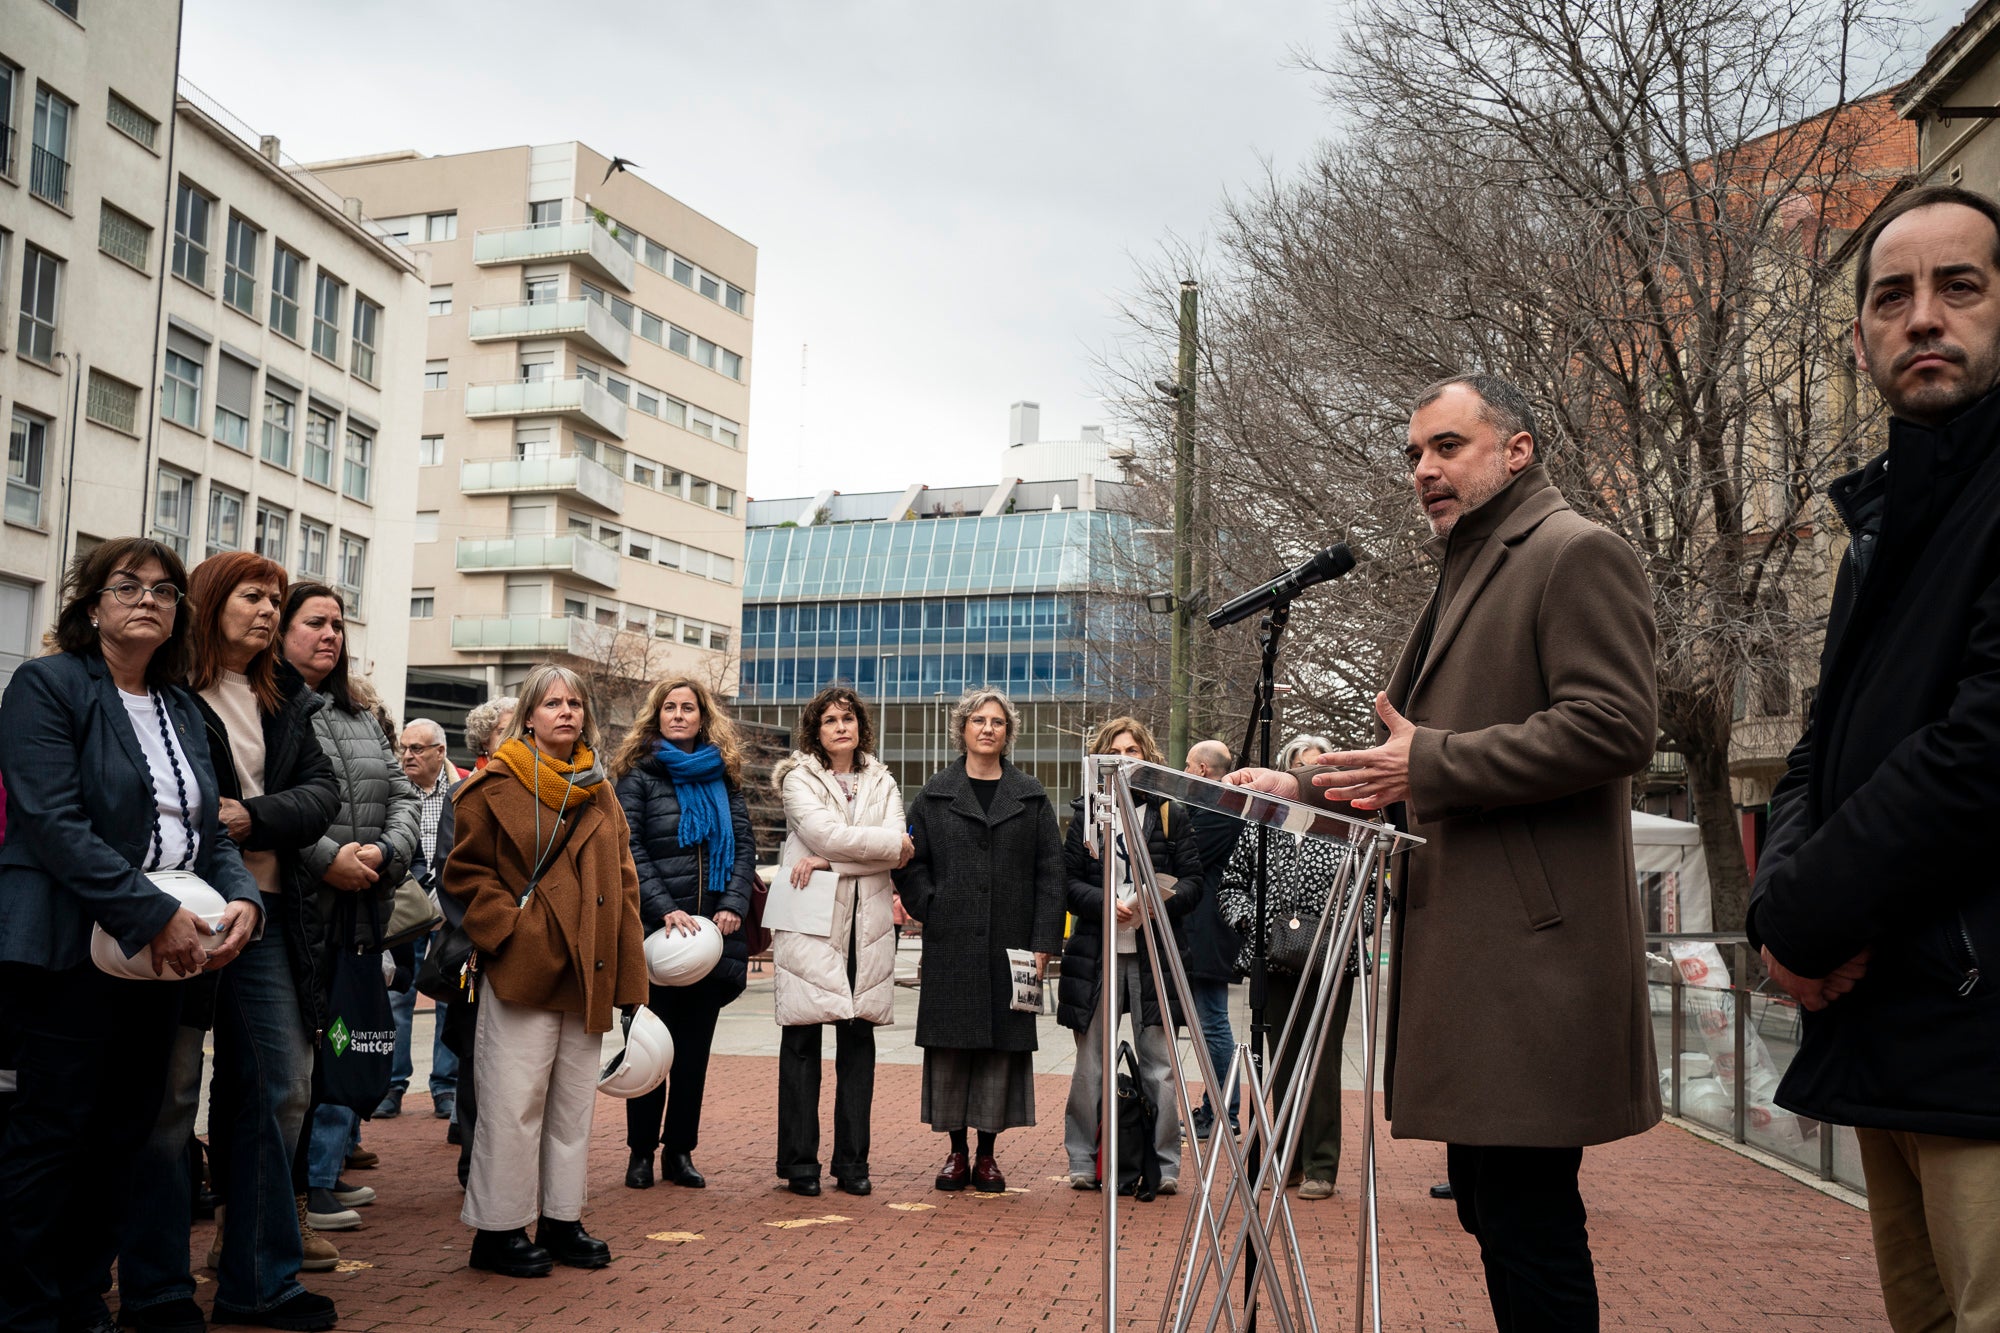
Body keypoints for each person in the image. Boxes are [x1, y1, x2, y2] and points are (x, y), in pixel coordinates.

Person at [1229, 375, 1659, 1330]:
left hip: (1529, 964)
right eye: (1415, 454)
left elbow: (1618, 726)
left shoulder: (1574, 552)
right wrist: (1300, 788)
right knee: (1495, 1208)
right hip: (1473, 964)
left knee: (1529, 1219)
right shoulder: (1466, 573)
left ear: (1518, 449)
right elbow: (1401, 766)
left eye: (1448, 446)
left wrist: (1432, 760)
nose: (1424, 468)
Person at [1747, 184, 2000, 1332]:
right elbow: (1818, 750)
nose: (1922, 318)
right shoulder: (1881, 519)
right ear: (1858, 337)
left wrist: (1800, 923)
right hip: (1886, 1030)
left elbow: (1976, 755)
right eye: (1890, 296)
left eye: (1959, 286)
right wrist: (1775, 914)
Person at [0, 538, 261, 1333]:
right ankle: (27, 1311)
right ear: (92, 605)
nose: (147, 598)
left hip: (164, 957)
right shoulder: (46, 685)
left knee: (124, 1135)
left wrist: (243, 897)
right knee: (53, 1136)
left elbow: (208, 830)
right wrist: (153, 914)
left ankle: (83, 1300)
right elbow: (53, 822)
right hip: (67, 949)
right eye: (127, 585)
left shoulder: (181, 704)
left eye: (164, 589)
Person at [119, 553, 343, 1329]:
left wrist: (255, 815)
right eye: (254, 596)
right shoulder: (168, 692)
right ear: (212, 600)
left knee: (280, 1092)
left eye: (277, 600)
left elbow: (322, 794)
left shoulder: (283, 698)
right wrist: (237, 820)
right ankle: (154, 1287)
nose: (269, 612)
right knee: (171, 1101)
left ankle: (256, 1280)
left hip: (270, 917)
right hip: (180, 911)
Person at [444, 663, 645, 1277]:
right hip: (524, 968)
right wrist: (513, 932)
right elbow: (463, 876)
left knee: (571, 1106)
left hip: (588, 966)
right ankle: (498, 1231)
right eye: (552, 703)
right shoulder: (493, 785)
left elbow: (625, 885)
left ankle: (561, 1219)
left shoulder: (600, 789)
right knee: (512, 1104)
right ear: (528, 715)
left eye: (575, 703)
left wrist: (630, 977)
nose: (566, 712)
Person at [279, 583, 421, 1234]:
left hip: (360, 910)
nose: (331, 634)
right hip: (299, 910)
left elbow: (403, 794)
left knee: (347, 1041)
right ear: (281, 632)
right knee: (298, 1059)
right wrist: (329, 855)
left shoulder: (360, 713)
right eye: (316, 622)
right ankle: (296, 1198)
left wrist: (386, 853)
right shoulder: (268, 708)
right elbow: (266, 803)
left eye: (338, 623)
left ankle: (319, 1179)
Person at [894, 689, 1064, 1193]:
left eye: (996, 722)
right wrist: (933, 905)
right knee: (950, 1048)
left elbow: (1050, 874)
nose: (987, 728)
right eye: (978, 720)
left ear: (1007, 732)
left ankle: (987, 1155)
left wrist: (1043, 942)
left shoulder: (1030, 795)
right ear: (962, 729)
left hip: (1013, 945)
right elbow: (909, 862)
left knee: (1000, 1051)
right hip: (952, 942)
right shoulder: (934, 794)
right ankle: (955, 1153)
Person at [613, 677, 757, 1190]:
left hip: (713, 939)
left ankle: (680, 1152)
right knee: (648, 1050)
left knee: (693, 1055)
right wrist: (663, 907)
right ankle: (639, 1154)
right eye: (670, 707)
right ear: (657, 716)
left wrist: (732, 905)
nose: (679, 715)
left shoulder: (725, 776)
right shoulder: (636, 777)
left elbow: (743, 847)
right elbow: (628, 851)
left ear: (702, 717)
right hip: (655, 937)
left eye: (688, 708)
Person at [770, 687, 913, 1198]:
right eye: (829, 720)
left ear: (860, 726)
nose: (840, 727)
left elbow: (896, 848)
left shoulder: (883, 779)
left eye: (847, 718)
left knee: (858, 1041)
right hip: (811, 919)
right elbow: (837, 836)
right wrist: (874, 850)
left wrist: (833, 861)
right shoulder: (796, 779)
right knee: (803, 1040)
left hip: (867, 924)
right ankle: (799, 1164)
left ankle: (852, 1163)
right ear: (816, 730)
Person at [1216, 732, 1365, 1201]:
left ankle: (1322, 1163)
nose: (1311, 775)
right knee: (1279, 1060)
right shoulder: (1264, 823)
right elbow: (1232, 886)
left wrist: (1337, 933)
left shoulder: (1349, 826)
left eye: (1320, 769)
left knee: (1320, 1061)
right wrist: (1258, 927)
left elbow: (1372, 890)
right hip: (1274, 961)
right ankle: (1288, 1159)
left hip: (1330, 962)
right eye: (1301, 766)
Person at [1058, 716, 1202, 1193]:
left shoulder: (1168, 813)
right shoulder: (1086, 814)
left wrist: (1158, 903)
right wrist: (1104, 904)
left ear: (1147, 759)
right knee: (1090, 1064)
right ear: (1102, 759)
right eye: (1116, 750)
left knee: (1159, 1064)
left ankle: (1164, 1165)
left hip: (1153, 953)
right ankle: (1083, 1159)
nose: (1125, 757)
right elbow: (1067, 883)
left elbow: (1194, 883)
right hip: (1096, 953)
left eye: (1133, 751)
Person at [378, 718, 462, 1123]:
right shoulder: (394, 791)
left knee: (448, 996)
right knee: (398, 995)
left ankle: (445, 1087)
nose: (408, 755)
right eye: (404, 748)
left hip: (450, 911)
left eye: (418, 749)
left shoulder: (462, 789)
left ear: (440, 752)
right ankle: (393, 1086)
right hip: (403, 907)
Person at [1182, 739, 1244, 1141]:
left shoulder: (1219, 809)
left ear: (1204, 770)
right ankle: (1217, 1108)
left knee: (1212, 1021)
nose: (1184, 772)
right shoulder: (1219, 807)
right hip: (1203, 928)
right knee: (1209, 1020)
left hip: (1206, 930)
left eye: (1188, 765)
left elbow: (1185, 854)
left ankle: (1224, 1112)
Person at [463, 696, 518, 770]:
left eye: (518, 732)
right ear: (484, 741)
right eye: (503, 732)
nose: (513, 739)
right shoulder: (471, 781)